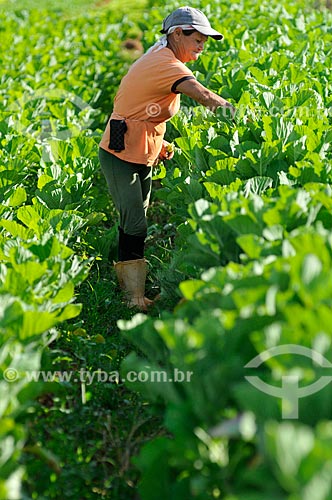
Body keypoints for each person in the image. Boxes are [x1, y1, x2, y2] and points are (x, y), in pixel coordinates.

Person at [99, 6, 235, 311]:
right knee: (134, 222)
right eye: (198, 39)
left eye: (205, 41)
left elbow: (142, 107)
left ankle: (129, 283)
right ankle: (132, 298)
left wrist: (159, 143)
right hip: (119, 153)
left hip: (140, 150)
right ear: (177, 34)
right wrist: (240, 117)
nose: (202, 46)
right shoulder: (166, 64)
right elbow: (203, 95)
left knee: (136, 219)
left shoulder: (162, 56)